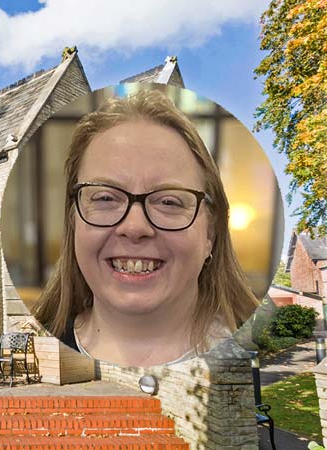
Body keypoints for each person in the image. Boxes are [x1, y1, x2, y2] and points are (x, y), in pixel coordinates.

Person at [33, 89, 258, 367]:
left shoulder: (255, 356)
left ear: (210, 233)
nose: (135, 226)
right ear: (74, 221)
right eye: (105, 197)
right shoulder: (34, 351)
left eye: (168, 201)